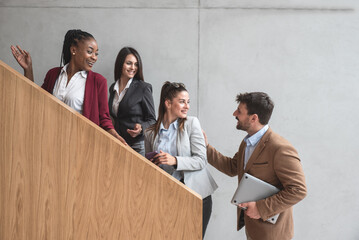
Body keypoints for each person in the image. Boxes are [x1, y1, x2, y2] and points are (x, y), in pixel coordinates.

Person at [203, 92, 307, 240]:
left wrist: (260, 208)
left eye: (239, 111)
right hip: (253, 229)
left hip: (273, 234)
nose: (234, 114)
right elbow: (232, 167)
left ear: (254, 118)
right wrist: (205, 147)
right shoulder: (247, 142)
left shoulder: (280, 148)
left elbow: (298, 190)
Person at [10, 29, 126, 145]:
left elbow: (104, 119)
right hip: (50, 139)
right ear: (73, 50)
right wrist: (28, 69)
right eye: (90, 52)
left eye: (96, 53)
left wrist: (115, 135)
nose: (94, 57)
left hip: (80, 143)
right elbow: (37, 101)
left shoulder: (98, 81)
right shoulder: (53, 74)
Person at [144, 81, 218, 239]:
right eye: (182, 101)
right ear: (168, 103)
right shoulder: (150, 133)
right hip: (168, 196)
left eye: (188, 102)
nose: (187, 106)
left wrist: (174, 160)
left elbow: (201, 160)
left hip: (197, 196)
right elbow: (150, 167)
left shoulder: (192, 124)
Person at [108, 47, 156, 156]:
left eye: (136, 64)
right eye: (129, 63)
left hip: (137, 146)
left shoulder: (143, 88)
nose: (133, 68)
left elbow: (152, 120)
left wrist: (140, 128)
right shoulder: (112, 88)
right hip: (118, 142)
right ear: (120, 64)